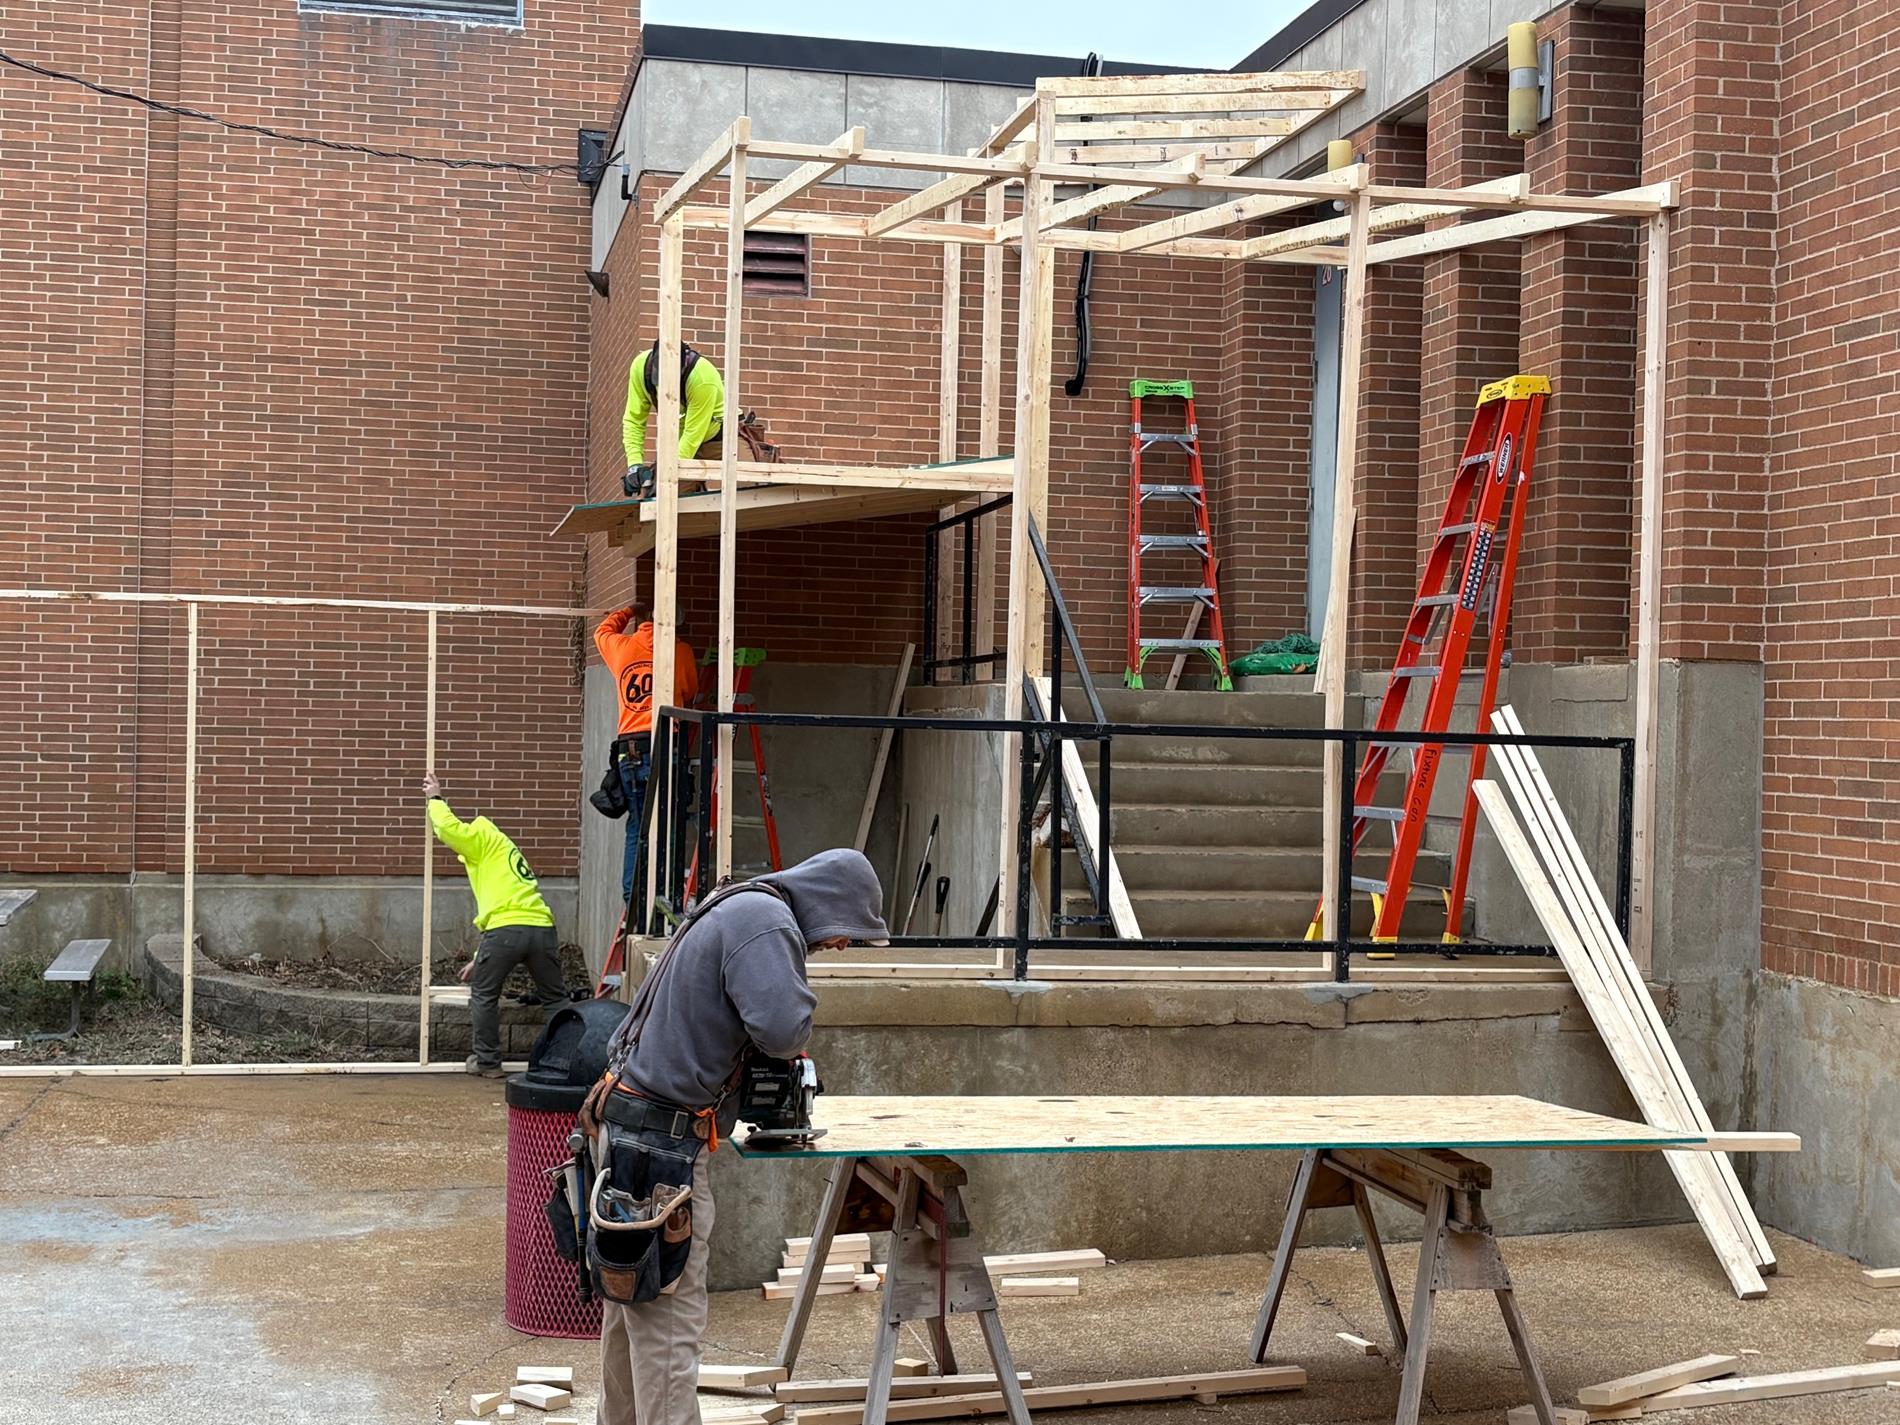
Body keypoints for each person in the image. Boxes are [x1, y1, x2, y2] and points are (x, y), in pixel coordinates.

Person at [591, 848, 889, 1425]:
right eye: (848, 930)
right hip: (663, 1149)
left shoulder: (734, 904)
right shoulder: (767, 921)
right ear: (828, 904)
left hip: (633, 1128)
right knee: (671, 1328)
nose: (843, 945)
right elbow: (782, 1029)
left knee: (633, 1314)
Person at [423, 772, 566, 1077]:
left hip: (506, 930)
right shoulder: (505, 850)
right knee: (556, 999)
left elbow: (449, 830)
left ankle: (487, 1063)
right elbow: (511, 905)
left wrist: (435, 798)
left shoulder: (482, 835)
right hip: (541, 928)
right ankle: (565, 1060)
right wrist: (480, 959)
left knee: (484, 995)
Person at [594, 602, 701, 915]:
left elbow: (602, 631)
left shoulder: (622, 647)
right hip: (667, 742)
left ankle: (634, 899)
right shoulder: (679, 652)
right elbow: (690, 688)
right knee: (669, 822)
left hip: (631, 749)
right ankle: (663, 895)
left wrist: (626, 611)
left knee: (638, 825)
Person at [623, 338, 724, 498]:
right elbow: (634, 420)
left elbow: (692, 436)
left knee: (750, 491)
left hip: (717, 440)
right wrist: (634, 465)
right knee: (654, 499)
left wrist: (665, 478)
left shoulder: (702, 378)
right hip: (678, 444)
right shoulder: (640, 368)